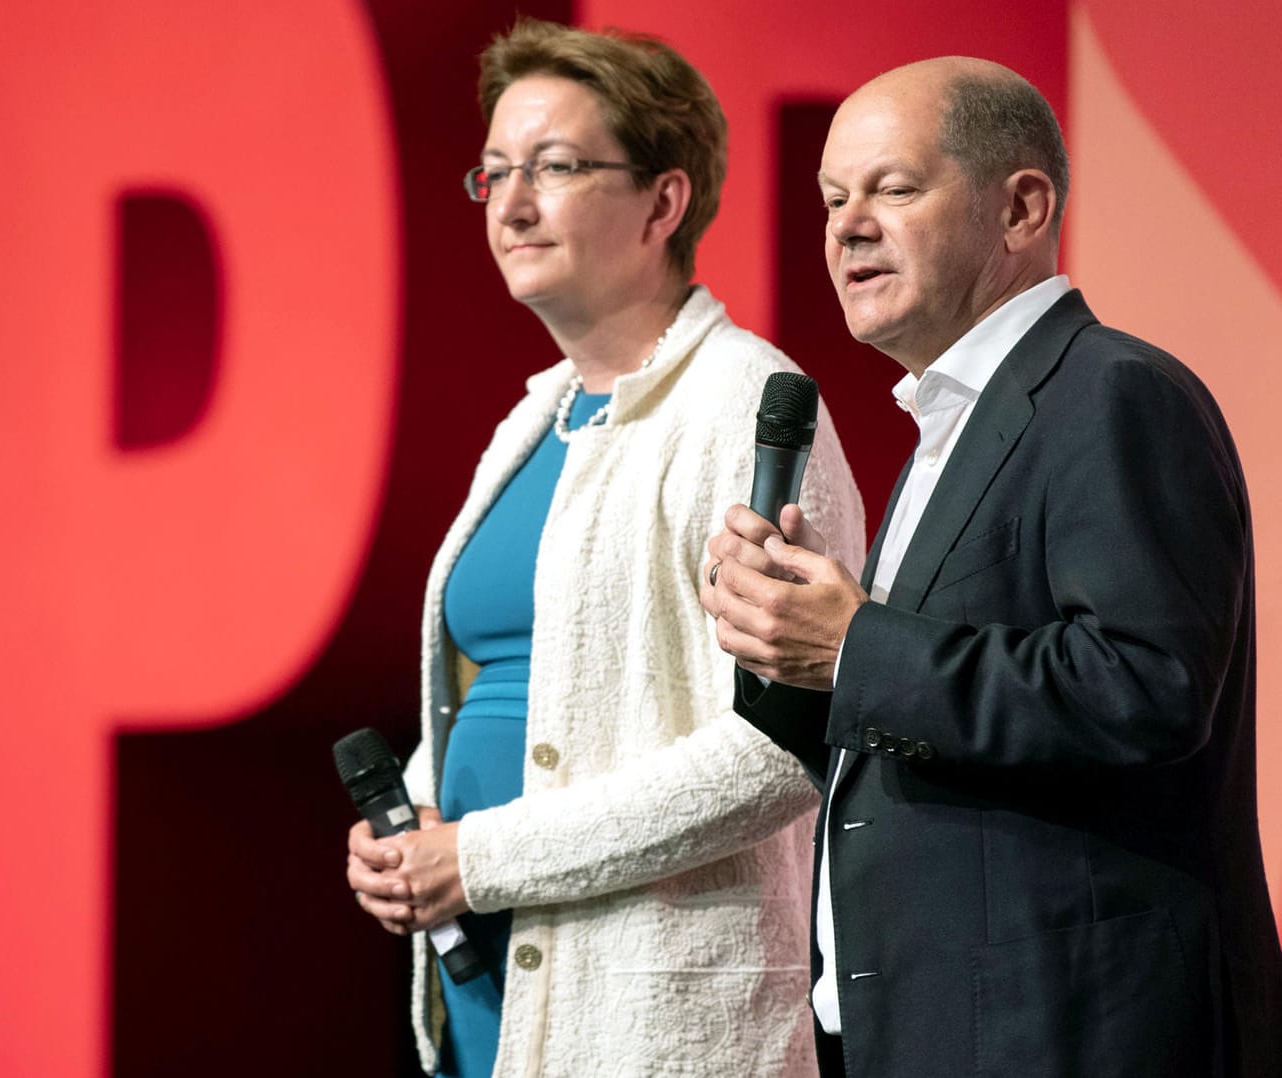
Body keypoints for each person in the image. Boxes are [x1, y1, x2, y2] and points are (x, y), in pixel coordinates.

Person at [700, 57, 1282, 1077]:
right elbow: (915, 719)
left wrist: (854, 649)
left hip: (1070, 1028)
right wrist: (786, 651)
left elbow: (1146, 687)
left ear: (1020, 208)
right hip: (931, 1026)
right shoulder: (947, 428)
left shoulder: (1111, 392)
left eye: (892, 187)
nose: (845, 227)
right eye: (832, 199)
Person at [343, 17, 864, 1077]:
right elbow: (513, 677)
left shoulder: (743, 406)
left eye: (557, 167)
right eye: (494, 174)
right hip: (488, 983)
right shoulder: (537, 415)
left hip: (647, 1014)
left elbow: (775, 753)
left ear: (665, 202)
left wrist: (478, 856)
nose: (514, 205)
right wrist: (414, 818)